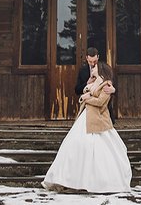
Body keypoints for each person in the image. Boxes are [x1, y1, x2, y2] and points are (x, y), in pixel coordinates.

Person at [43, 61, 132, 193]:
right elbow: (85, 90)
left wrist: (87, 98)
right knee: (73, 146)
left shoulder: (106, 84)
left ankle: (99, 182)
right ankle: (69, 179)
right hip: (86, 117)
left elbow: (101, 101)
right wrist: (88, 87)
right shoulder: (95, 81)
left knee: (98, 149)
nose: (93, 68)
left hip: (97, 119)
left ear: (100, 69)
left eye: (95, 67)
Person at [75, 48, 117, 122]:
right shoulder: (82, 71)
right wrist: (87, 83)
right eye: (90, 61)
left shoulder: (105, 68)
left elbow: (115, 85)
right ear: (86, 58)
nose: (92, 64)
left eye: (95, 61)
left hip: (104, 111)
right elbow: (77, 90)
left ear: (98, 57)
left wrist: (113, 90)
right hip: (88, 111)